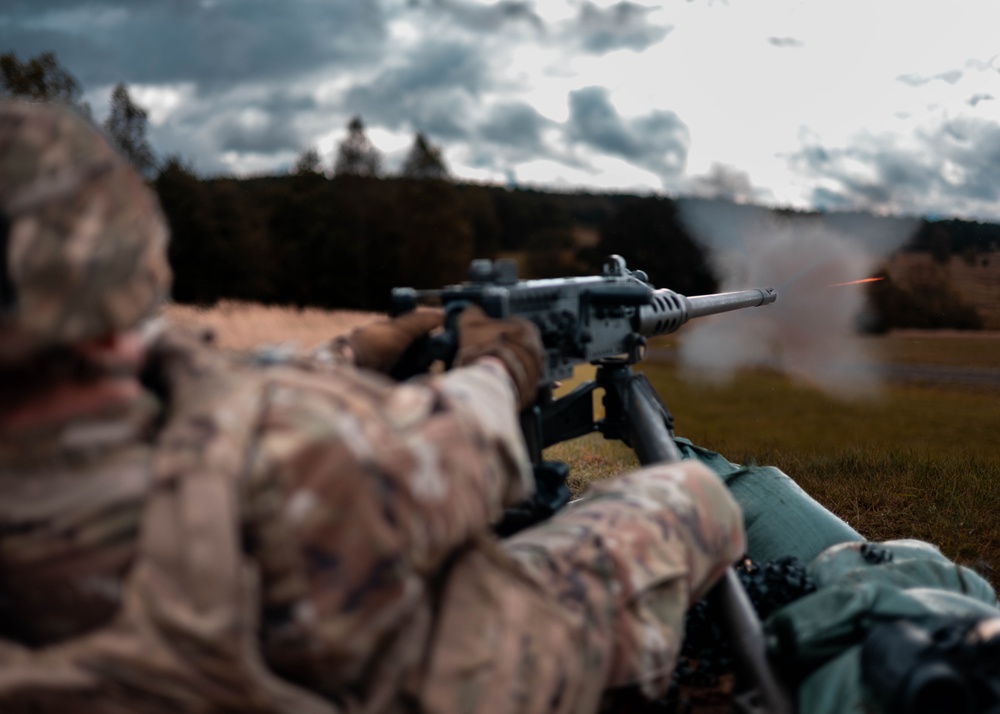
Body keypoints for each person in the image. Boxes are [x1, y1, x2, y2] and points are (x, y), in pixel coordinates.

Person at [0, 100, 745, 713]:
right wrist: (505, 362)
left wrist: (355, 354)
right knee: (688, 498)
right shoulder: (266, 459)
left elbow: (233, 393)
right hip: (394, 678)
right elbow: (460, 458)